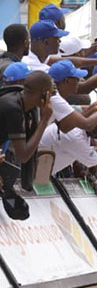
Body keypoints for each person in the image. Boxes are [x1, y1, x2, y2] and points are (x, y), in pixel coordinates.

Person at [0, 71, 54, 219]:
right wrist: (44, 121)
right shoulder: (13, 108)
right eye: (51, 93)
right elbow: (23, 155)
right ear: (44, 94)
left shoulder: (21, 102)